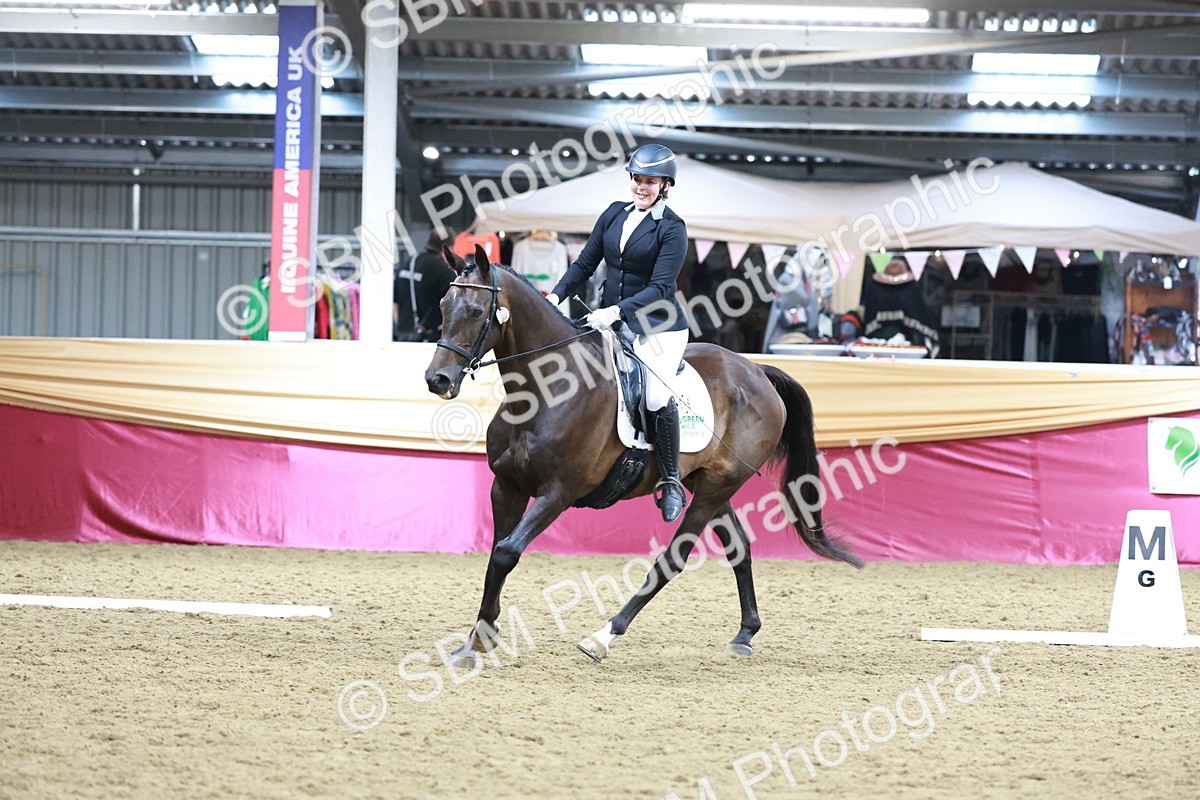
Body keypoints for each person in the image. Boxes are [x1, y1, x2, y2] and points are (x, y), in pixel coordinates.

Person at [545, 144, 690, 522]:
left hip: (658, 326)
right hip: (609, 320)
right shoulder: (613, 214)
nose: (641, 187)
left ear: (665, 185)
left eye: (650, 182)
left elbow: (661, 287)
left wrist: (616, 311)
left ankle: (671, 480)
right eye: (637, 179)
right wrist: (556, 296)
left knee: (656, 395)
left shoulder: (672, 228)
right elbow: (586, 263)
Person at [394, 228, 456, 342]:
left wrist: (404, 328)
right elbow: (454, 310)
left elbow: (395, 303)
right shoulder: (444, 271)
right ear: (450, 248)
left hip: (403, 337)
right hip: (430, 340)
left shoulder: (409, 261)